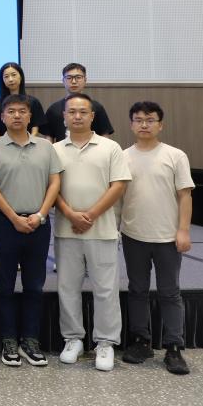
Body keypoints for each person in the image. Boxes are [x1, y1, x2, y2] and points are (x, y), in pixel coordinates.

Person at [0, 94, 62, 368]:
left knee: (34, 286)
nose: (17, 115)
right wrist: (14, 217)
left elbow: (55, 183)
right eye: (11, 111)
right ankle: (8, 340)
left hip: (38, 223)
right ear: (2, 117)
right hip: (6, 223)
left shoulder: (46, 147)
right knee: (4, 284)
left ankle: (30, 340)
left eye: (22, 111)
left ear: (30, 116)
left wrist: (40, 215)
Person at [52, 93, 131, 372]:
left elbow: (118, 185)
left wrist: (91, 215)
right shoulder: (55, 149)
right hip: (66, 229)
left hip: (103, 229)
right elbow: (52, 189)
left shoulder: (110, 147)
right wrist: (71, 214)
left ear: (92, 116)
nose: (77, 116)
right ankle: (73, 339)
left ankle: (106, 342)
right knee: (67, 287)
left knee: (106, 289)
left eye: (83, 112)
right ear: (64, 116)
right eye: (71, 111)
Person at [121, 101, 193, 375]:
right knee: (137, 290)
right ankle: (141, 341)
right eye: (138, 119)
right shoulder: (123, 156)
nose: (144, 124)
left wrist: (183, 230)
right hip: (133, 234)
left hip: (167, 237)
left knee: (169, 292)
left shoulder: (175, 155)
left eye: (150, 120)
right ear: (131, 124)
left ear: (160, 125)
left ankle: (174, 347)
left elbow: (185, 195)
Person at [42, 63, 114, 142]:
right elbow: (49, 137)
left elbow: (104, 135)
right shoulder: (53, 109)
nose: (73, 81)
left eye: (78, 77)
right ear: (63, 81)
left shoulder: (97, 107)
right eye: (69, 78)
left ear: (85, 80)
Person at [0, 62, 46, 138]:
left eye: (14, 75)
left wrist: (28, 141)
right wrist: (1, 143)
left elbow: (35, 128)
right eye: (6, 76)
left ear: (21, 76)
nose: (10, 79)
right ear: (2, 80)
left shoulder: (33, 102)